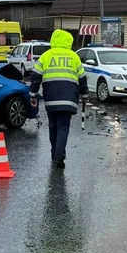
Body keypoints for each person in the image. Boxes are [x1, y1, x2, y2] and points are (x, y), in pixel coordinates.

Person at [28, 29, 88, 168]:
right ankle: (59, 157)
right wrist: (85, 95)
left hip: (51, 98)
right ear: (68, 41)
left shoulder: (46, 56)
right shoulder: (74, 57)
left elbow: (35, 77)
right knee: (63, 126)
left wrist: (33, 95)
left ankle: (54, 153)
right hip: (69, 99)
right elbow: (82, 78)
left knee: (53, 126)